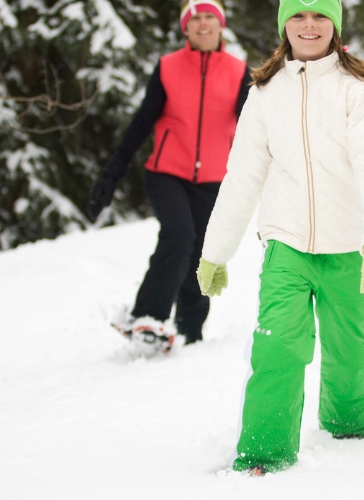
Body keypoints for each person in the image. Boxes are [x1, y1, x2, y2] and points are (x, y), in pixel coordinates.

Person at [195, 0, 364, 475]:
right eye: (300, 15)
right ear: (285, 23)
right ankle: (264, 451)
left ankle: (349, 426)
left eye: (320, 15)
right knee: (278, 344)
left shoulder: (357, 90)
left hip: (348, 246)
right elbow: (242, 175)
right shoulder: (266, 92)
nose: (310, 25)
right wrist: (216, 251)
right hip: (286, 243)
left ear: (336, 24)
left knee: (349, 352)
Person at [85, 0, 250, 352]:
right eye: (195, 18)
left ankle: (190, 333)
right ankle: (147, 316)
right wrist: (110, 175)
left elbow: (257, 127)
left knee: (201, 254)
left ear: (221, 25)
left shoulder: (238, 72)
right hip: (167, 173)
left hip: (214, 179)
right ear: (185, 27)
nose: (203, 24)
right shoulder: (168, 68)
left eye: (210, 17)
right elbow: (141, 123)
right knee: (179, 233)